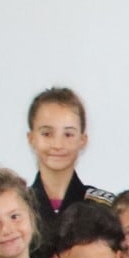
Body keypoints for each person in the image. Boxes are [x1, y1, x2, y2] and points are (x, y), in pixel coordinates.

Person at [26, 87, 114, 219]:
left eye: (68, 134)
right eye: (47, 134)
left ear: (82, 140)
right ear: (31, 138)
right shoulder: (17, 208)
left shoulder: (105, 208)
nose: (57, 145)